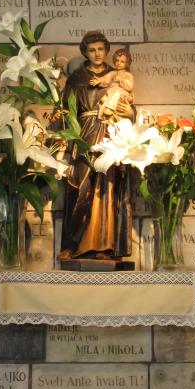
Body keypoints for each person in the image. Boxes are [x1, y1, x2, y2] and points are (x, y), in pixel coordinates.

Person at [58, 31, 134, 261]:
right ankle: (74, 244)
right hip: (83, 135)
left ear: (107, 50)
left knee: (106, 187)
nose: (97, 54)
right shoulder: (76, 79)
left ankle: (105, 245)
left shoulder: (117, 75)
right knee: (80, 185)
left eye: (101, 49)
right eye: (92, 50)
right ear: (85, 52)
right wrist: (65, 128)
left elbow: (129, 105)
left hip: (110, 134)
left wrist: (129, 112)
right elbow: (67, 111)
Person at [89, 47, 134, 124]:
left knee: (116, 95)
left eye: (122, 61)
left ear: (127, 63)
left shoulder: (128, 75)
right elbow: (106, 79)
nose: (119, 63)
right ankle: (102, 115)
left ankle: (109, 110)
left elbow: (130, 86)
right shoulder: (113, 73)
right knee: (105, 99)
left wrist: (120, 80)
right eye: (117, 60)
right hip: (111, 93)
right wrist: (99, 80)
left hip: (123, 95)